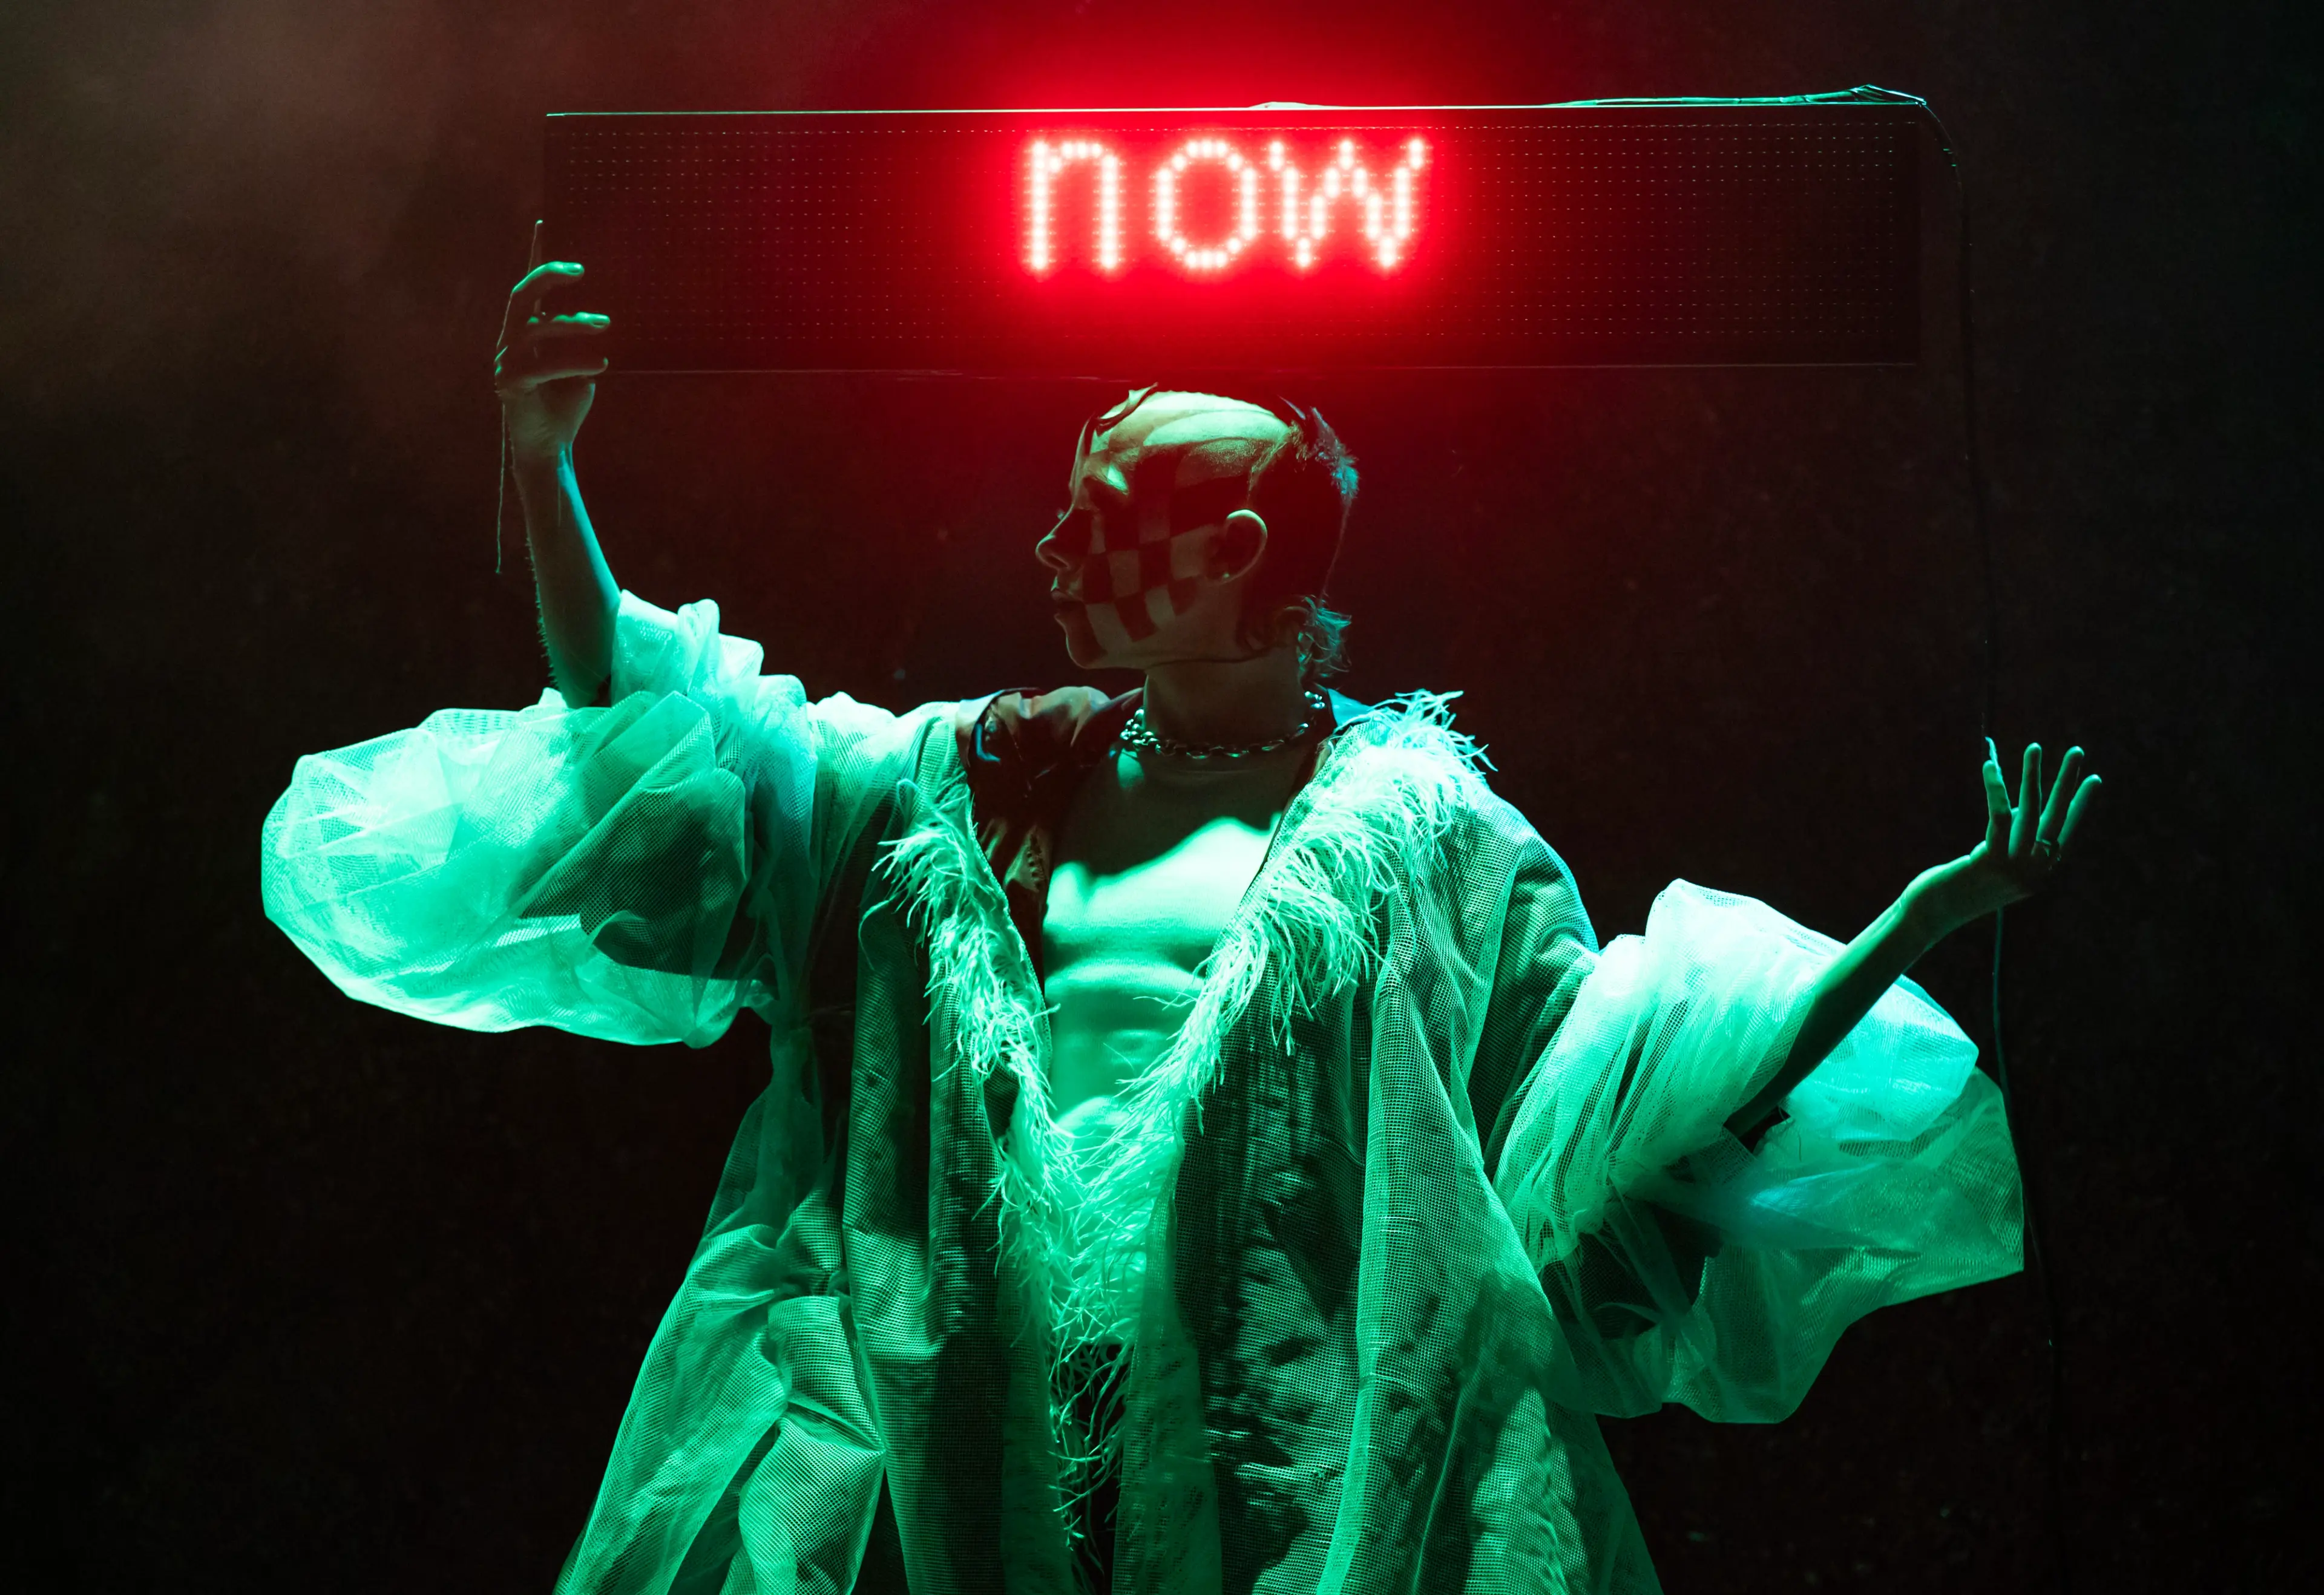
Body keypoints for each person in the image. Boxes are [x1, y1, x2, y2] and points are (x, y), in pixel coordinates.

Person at [261, 231, 2101, 1595]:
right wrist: (542, 470)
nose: (1059, 554)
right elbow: (669, 749)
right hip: (947, 1409)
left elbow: (1607, 1103)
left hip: (1263, 1455)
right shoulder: (961, 777)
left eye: (1104, 515)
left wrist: (1908, 928)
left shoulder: (1421, 842)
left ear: (1231, 564)